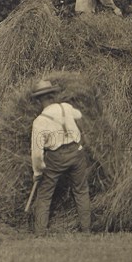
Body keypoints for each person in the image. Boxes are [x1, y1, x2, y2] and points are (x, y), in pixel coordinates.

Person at [30, 80, 91, 235]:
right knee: (81, 191)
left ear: (39, 100)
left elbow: (37, 153)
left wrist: (37, 173)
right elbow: (79, 115)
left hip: (56, 158)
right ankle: (86, 231)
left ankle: (40, 233)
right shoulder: (66, 107)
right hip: (76, 152)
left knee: (44, 195)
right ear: (52, 95)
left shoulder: (39, 122)